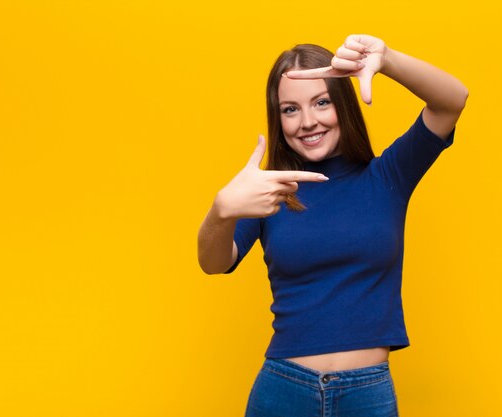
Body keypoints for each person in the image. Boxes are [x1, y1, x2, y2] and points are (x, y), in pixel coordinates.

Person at [198, 34, 468, 417]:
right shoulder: (269, 191)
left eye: (322, 102)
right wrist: (221, 211)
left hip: (368, 393)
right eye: (289, 109)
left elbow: (452, 100)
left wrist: (386, 59)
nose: (308, 122)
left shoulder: (389, 175)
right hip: (283, 390)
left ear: (343, 103)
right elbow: (213, 262)